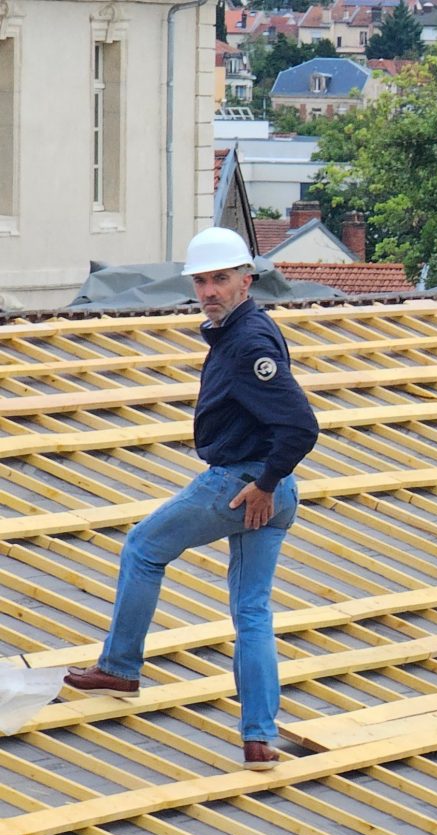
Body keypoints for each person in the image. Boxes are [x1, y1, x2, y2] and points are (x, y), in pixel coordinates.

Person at [64, 228, 319, 771]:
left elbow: (300, 426)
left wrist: (265, 483)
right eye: (201, 281)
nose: (209, 290)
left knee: (142, 548)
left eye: (220, 279)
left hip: (244, 484)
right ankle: (258, 739)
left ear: (246, 280)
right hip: (270, 489)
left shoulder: (248, 341)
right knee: (252, 611)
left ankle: (120, 667)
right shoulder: (238, 332)